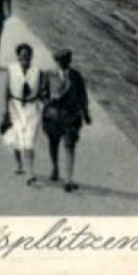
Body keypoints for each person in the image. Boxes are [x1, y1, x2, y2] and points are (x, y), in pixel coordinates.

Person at [40, 49, 91, 191]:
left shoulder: (76, 76)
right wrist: (48, 101)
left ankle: (69, 178)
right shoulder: (48, 75)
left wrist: (86, 113)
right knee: (53, 143)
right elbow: (42, 93)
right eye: (61, 61)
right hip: (53, 116)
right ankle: (55, 168)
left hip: (71, 116)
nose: (64, 64)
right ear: (56, 61)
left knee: (70, 146)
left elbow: (83, 95)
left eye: (66, 61)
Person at [2, 43, 45, 184]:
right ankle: (18, 163)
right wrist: (5, 110)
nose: (25, 58)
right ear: (18, 56)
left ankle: (30, 172)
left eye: (27, 56)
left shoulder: (38, 72)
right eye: (22, 56)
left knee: (29, 140)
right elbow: (6, 91)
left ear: (31, 57)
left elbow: (43, 92)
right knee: (16, 137)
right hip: (15, 105)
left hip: (32, 107)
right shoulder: (11, 70)